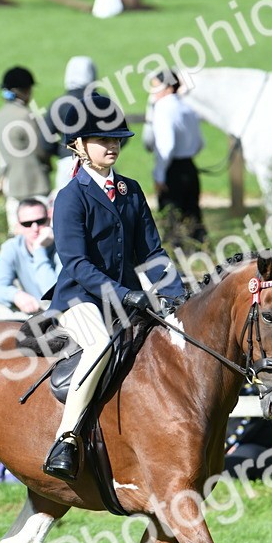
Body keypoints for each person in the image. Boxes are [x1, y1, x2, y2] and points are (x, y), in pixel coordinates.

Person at [43, 94, 187, 480]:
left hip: (128, 301)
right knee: (99, 344)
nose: (112, 146)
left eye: (116, 139)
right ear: (79, 145)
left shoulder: (131, 191)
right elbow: (76, 264)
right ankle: (67, 440)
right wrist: (125, 294)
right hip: (79, 300)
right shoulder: (71, 198)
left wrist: (177, 296)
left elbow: (152, 253)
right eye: (102, 139)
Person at [0, 66, 53, 234]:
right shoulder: (26, 115)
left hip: (11, 185)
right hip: (33, 183)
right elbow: (41, 148)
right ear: (25, 90)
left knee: (17, 235)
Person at [147, 69, 206, 246]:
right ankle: (200, 253)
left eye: (156, 88)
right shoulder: (187, 107)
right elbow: (200, 143)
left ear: (168, 88)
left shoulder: (163, 107)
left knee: (171, 221)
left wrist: (159, 175)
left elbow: (166, 146)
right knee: (193, 216)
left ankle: (175, 260)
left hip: (172, 171)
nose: (152, 93)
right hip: (190, 167)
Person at [0, 198, 62, 314]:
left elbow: (52, 293)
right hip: (36, 320)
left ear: (49, 220)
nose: (35, 228)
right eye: (27, 224)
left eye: (40, 221)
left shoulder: (63, 245)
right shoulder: (11, 247)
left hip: (66, 314)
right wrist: (16, 295)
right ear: (18, 226)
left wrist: (39, 249)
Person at [45, 56, 98, 193]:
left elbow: (45, 140)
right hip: (98, 162)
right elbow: (123, 134)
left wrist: (64, 150)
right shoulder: (102, 102)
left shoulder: (59, 104)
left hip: (68, 163)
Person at [223, 385, 272, 480]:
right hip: (233, 448)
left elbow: (246, 425)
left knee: (226, 465)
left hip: (260, 448)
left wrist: (226, 446)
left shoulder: (254, 390)